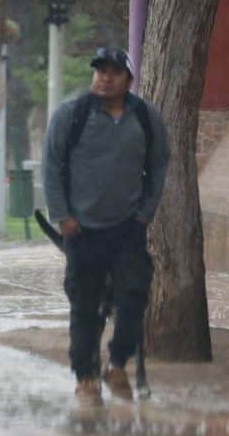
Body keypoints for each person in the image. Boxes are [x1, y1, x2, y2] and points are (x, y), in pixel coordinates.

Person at [42, 47, 170, 405]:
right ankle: (85, 375)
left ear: (129, 79)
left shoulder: (145, 117)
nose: (104, 77)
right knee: (85, 306)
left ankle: (116, 364)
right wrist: (62, 215)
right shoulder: (72, 114)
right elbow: (51, 165)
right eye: (99, 71)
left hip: (128, 228)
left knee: (134, 297)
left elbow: (159, 165)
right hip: (81, 230)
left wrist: (146, 211)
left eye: (114, 72)